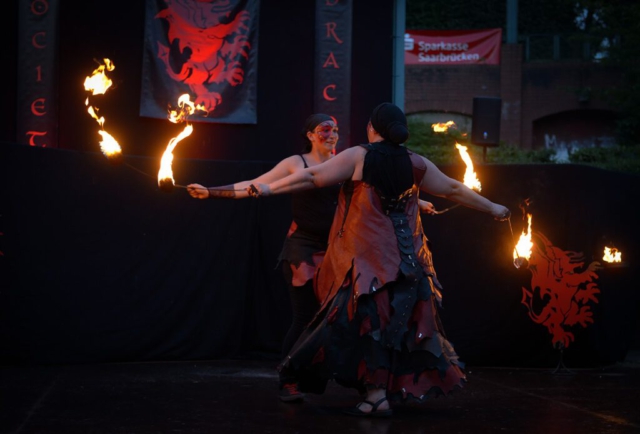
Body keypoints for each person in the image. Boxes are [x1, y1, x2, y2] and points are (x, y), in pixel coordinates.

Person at [238, 102, 511, 417]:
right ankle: (378, 392)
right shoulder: (416, 162)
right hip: (409, 263)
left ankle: (375, 393)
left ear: (373, 128)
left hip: (369, 264)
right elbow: (452, 188)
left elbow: (312, 177)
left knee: (370, 327)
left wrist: (268, 188)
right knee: (395, 327)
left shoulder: (359, 156)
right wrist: (492, 207)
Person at [187, 114, 341, 402]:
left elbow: (370, 194)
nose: (332, 135)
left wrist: (417, 202)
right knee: (305, 316)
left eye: (335, 130)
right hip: (303, 250)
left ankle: (319, 374)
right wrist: (211, 193)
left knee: (333, 317)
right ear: (310, 135)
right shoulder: (297, 163)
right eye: (325, 130)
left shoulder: (342, 162)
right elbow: (256, 183)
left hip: (336, 249)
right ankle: (288, 379)